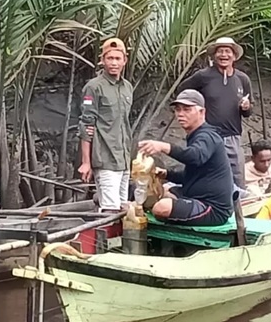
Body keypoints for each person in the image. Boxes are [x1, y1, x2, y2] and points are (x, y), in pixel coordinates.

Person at [136, 89, 234, 226]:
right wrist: (167, 174)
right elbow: (194, 175)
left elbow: (195, 156)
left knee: (161, 207)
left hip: (212, 208)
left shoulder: (207, 136)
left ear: (202, 112)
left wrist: (164, 147)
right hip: (193, 196)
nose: (180, 114)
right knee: (161, 191)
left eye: (187, 109)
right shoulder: (196, 135)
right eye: (178, 109)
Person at [178, 37, 253, 192]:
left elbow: (248, 113)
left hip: (233, 137)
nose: (223, 55)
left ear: (234, 56)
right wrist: (193, 113)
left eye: (227, 51)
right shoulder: (203, 76)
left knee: (237, 179)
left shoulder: (242, 79)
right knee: (205, 176)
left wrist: (246, 107)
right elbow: (182, 91)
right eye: (220, 51)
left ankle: (238, 213)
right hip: (207, 137)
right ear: (214, 55)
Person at [77, 37, 134, 211]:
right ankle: (105, 239)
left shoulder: (127, 87)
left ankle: (118, 239)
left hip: (124, 160)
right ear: (103, 60)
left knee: (124, 208)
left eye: (118, 58)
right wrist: (86, 162)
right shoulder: (94, 87)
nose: (114, 63)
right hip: (105, 159)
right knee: (110, 210)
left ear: (125, 60)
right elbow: (87, 124)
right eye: (110, 58)